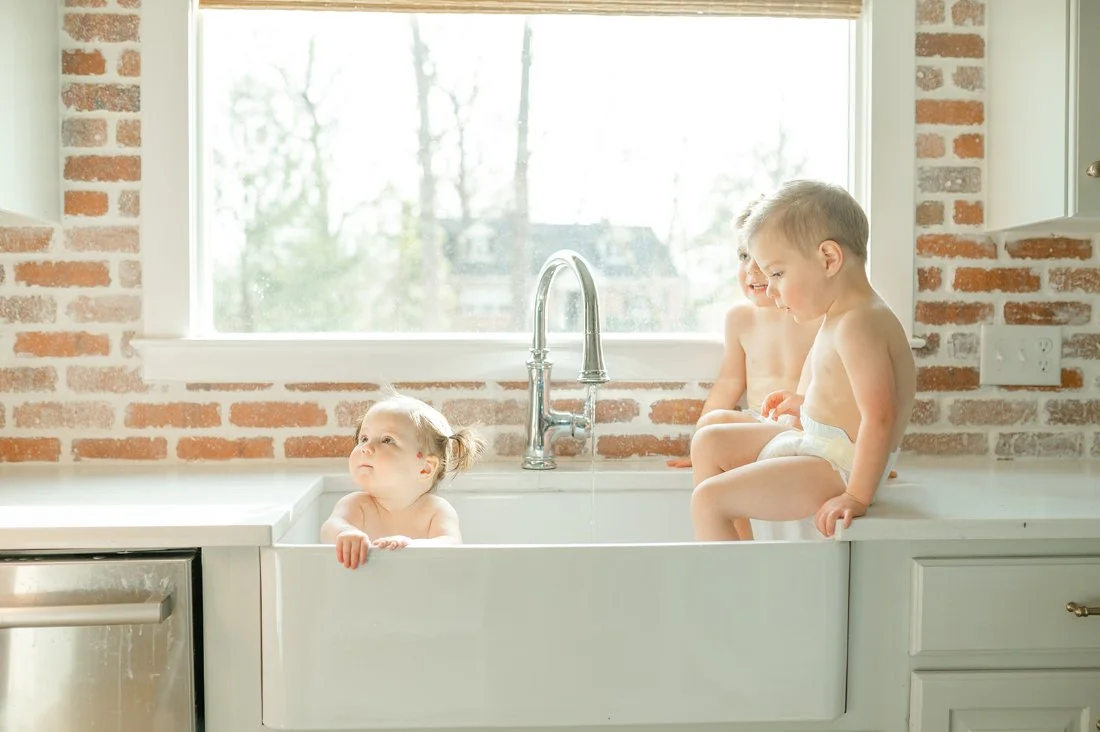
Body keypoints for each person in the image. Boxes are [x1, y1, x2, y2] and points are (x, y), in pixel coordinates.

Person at [690, 179, 916, 540]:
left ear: (829, 258)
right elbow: (845, 400)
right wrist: (805, 404)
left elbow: (880, 416)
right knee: (709, 441)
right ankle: (742, 555)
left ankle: (732, 589)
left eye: (777, 273)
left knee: (707, 500)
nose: (772, 287)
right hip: (821, 445)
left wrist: (856, 495)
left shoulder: (859, 323)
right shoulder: (840, 315)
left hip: (838, 466)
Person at [667, 197, 822, 470]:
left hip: (808, 426)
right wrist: (699, 447)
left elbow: (843, 390)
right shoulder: (741, 319)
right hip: (760, 426)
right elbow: (729, 382)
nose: (751, 269)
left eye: (762, 258)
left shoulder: (817, 317)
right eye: (743, 256)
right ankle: (733, 512)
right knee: (710, 425)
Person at [321, 393, 486, 568]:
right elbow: (329, 528)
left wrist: (413, 546)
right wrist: (345, 532)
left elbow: (451, 544)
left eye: (387, 440)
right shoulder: (356, 504)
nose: (366, 448)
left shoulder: (436, 511)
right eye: (364, 438)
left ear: (425, 468)